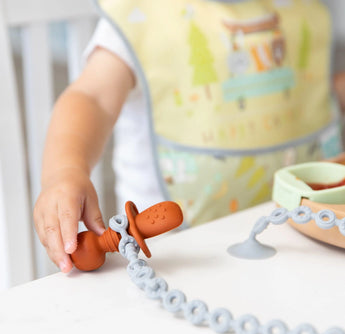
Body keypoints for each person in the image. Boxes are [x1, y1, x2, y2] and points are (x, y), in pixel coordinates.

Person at [34, 0, 345, 273]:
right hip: (180, 258)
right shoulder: (141, 16)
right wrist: (65, 171)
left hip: (306, 244)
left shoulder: (304, 8)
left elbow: (309, 91)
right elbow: (93, 99)